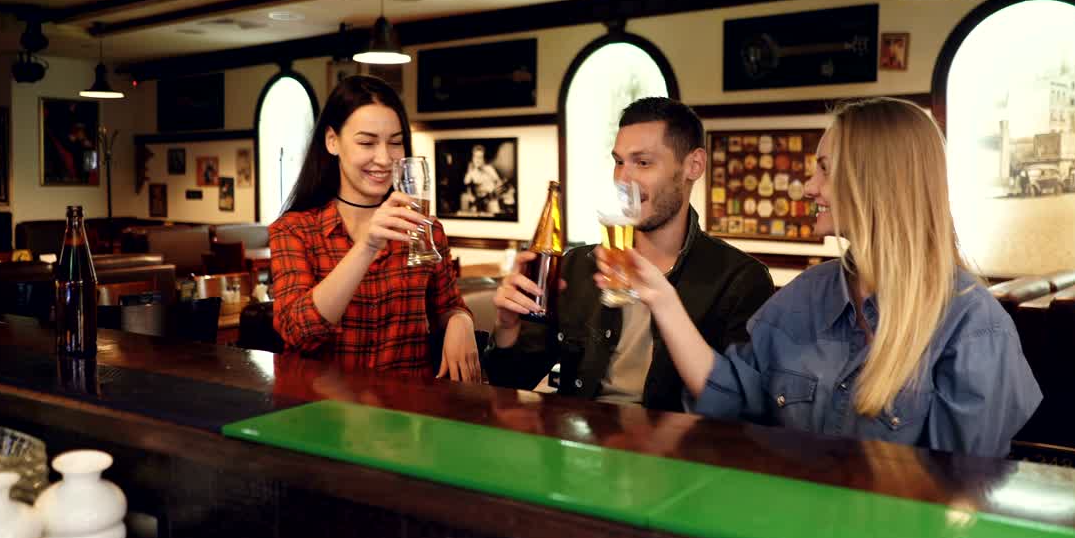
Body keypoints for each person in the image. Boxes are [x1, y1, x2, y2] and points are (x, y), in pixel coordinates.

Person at [600, 98, 1041, 457]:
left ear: (878, 180)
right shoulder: (807, 294)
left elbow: (962, 493)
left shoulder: (973, 325)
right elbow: (732, 396)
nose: (808, 187)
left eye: (824, 169)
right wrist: (663, 300)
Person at [490, 97, 774, 411]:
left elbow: (743, 412)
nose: (623, 179)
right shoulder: (577, 266)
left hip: (679, 452)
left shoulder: (740, 280)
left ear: (694, 166)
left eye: (643, 162)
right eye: (619, 161)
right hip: (582, 446)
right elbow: (510, 381)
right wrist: (507, 326)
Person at [269, 75, 481, 381]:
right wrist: (366, 246)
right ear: (332, 141)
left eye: (395, 142)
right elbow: (298, 333)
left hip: (407, 414)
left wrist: (461, 320)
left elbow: (447, 306)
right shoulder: (295, 230)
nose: (384, 158)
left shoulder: (424, 229)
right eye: (367, 142)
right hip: (321, 413)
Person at [461, 144, 504, 214]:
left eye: (480, 157)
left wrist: (495, 191)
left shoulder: (489, 169)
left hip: (491, 199)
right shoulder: (471, 172)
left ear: (484, 159)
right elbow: (466, 185)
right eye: (475, 157)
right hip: (479, 201)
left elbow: (499, 182)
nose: (478, 160)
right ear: (472, 158)